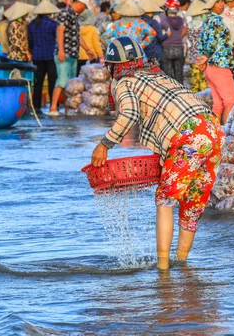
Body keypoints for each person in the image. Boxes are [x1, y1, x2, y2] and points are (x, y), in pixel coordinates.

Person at [91, 36, 223, 269]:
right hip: (213, 130)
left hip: (189, 135)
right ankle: (181, 264)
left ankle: (163, 270)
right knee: (192, 204)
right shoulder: (157, 74)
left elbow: (129, 114)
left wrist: (105, 144)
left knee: (165, 199)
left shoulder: (125, 82)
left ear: (113, 65)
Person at [48, 0, 97, 116]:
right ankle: (53, 107)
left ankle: (66, 108)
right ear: (80, 4)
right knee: (61, 80)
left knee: (69, 83)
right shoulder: (65, 13)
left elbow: (77, 35)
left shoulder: (74, 16)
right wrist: (61, 50)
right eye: (84, 7)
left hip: (73, 53)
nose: (83, 10)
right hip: (64, 52)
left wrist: (87, 49)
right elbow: (60, 30)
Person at [195, 0, 234, 124]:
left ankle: (215, 136)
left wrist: (204, 58)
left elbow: (201, 44)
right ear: (211, 5)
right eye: (218, 2)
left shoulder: (206, 21)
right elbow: (212, 44)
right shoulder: (217, 21)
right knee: (231, 101)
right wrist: (206, 56)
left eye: (222, 1)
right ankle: (225, 137)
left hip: (210, 68)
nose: (222, 5)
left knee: (218, 104)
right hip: (220, 65)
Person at [28, 0, 60, 112]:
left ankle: (36, 106)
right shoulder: (53, 24)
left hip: (37, 56)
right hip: (51, 56)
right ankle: (53, 105)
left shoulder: (31, 25)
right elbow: (57, 40)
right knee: (52, 82)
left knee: (38, 83)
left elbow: (30, 41)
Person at [160, 0, 187, 84]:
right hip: (179, 48)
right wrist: (179, 37)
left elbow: (160, 34)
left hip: (166, 48)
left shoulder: (164, 21)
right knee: (179, 74)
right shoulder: (182, 20)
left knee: (168, 75)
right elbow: (185, 30)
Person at [186, 0, 209, 93]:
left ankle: (195, 97)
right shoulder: (204, 25)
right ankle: (204, 97)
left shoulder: (189, 25)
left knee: (194, 78)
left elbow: (189, 38)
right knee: (203, 78)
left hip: (193, 54)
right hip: (202, 55)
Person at [139, 0, 168, 66]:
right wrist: (167, 34)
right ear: (152, 12)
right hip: (155, 53)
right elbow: (160, 38)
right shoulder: (154, 23)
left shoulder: (138, 23)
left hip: (142, 53)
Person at [77, 9, 103, 74]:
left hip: (78, 56)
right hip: (91, 56)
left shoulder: (76, 28)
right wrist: (101, 56)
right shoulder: (92, 29)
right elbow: (96, 45)